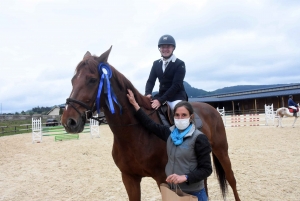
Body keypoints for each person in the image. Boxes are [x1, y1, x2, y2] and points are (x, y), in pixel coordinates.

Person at [127, 89, 212, 201]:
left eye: (184, 115)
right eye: (177, 115)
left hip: (194, 193)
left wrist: (185, 177)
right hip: (174, 192)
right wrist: (135, 104)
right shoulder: (170, 133)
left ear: (191, 117)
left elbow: (206, 169)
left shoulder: (199, 138)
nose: (180, 118)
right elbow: (150, 124)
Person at [145, 34, 188, 110]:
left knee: (179, 111)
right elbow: (150, 81)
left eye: (168, 46)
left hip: (176, 97)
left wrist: (160, 101)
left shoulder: (180, 64)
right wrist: (148, 94)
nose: (165, 49)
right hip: (161, 95)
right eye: (163, 47)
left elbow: (176, 85)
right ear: (160, 49)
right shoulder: (156, 64)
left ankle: (188, 122)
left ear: (173, 48)